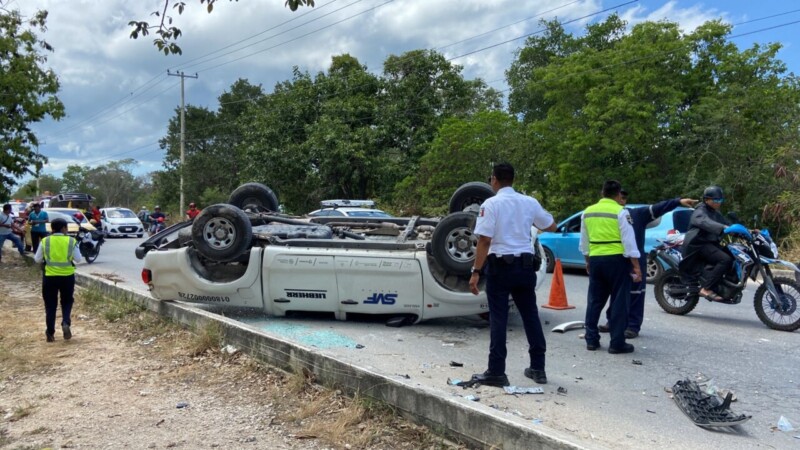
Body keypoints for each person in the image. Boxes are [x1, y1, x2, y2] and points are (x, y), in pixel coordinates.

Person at [468, 163, 557, 387]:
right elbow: (552, 226)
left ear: (495, 179)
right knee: (530, 316)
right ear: (512, 180)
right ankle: (538, 368)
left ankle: (497, 371)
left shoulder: (491, 204)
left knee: (499, 318)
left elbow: (485, 240)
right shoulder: (529, 202)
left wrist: (475, 272)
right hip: (525, 267)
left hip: (500, 268)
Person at [598, 190, 698, 338]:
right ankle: (612, 321)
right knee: (617, 293)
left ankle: (632, 326)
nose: (621, 200)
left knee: (636, 293)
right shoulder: (610, 216)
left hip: (635, 260)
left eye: (624, 198)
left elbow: (658, 207)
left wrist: (678, 202)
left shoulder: (636, 214)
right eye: (619, 197)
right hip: (617, 260)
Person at [579, 180, 640, 354]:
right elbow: (629, 241)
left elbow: (584, 241)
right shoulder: (621, 212)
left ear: (602, 193)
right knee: (619, 302)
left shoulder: (588, 212)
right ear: (618, 194)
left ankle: (591, 340)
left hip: (597, 259)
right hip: (617, 260)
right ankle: (617, 343)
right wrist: (636, 266)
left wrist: (588, 261)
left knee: (594, 301)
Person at [679, 186, 732, 302]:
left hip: (709, 244)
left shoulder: (714, 212)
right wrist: (723, 227)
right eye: (716, 200)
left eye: (720, 200)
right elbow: (703, 221)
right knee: (724, 259)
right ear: (707, 200)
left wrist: (747, 231)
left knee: (732, 254)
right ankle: (706, 288)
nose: (718, 203)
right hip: (698, 244)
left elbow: (728, 223)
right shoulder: (700, 210)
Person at [34, 218, 82, 342]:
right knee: (67, 301)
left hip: (50, 277)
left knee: (50, 305)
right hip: (67, 277)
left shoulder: (45, 241)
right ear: (64, 228)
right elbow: (78, 259)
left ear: (52, 229)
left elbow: (37, 259)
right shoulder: (71, 241)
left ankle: (50, 332)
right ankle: (65, 322)